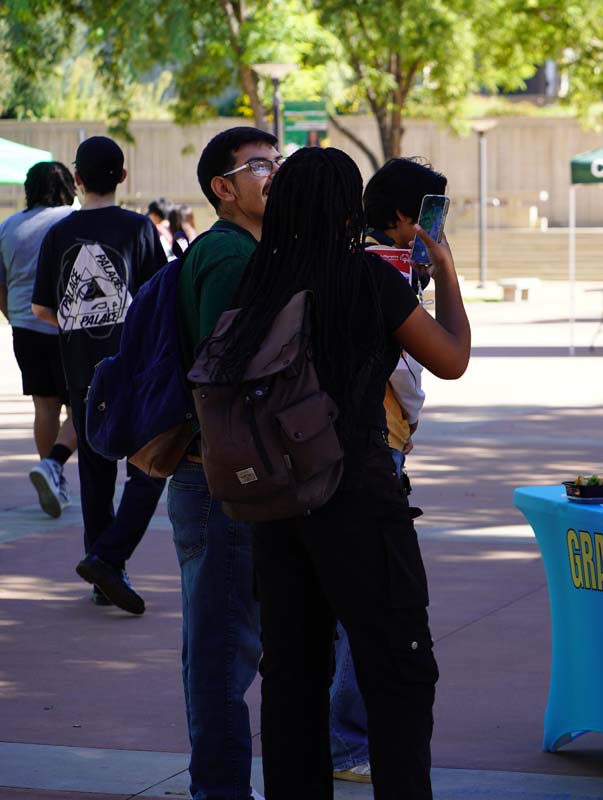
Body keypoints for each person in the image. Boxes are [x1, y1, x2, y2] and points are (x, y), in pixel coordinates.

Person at [202, 146, 470, 799]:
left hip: (278, 500)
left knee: (293, 673)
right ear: (350, 209)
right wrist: (448, 275)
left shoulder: (257, 282)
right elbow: (452, 359)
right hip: (358, 494)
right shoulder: (368, 280)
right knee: (399, 669)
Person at [326, 157, 444, 785]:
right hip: (377, 441)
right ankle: (346, 739)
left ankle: (337, 735)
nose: (435, 226)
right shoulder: (380, 271)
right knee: (372, 600)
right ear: (403, 216)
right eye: (430, 213)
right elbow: (438, 361)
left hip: (345, 443)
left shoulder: (346, 263)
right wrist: (443, 274)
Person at [171, 126, 280, 800]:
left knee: (218, 642)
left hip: (218, 473)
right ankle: (220, 791)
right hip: (224, 478)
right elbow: (224, 377)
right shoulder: (232, 257)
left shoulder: (236, 250)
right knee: (221, 651)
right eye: (263, 165)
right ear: (224, 187)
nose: (277, 174)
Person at [31, 136, 168, 614]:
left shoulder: (58, 235)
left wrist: (78, 322)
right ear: (124, 176)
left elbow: (41, 307)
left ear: (79, 179)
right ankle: (112, 557)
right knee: (146, 468)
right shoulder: (140, 229)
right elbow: (157, 297)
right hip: (134, 368)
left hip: (81, 371)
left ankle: (101, 565)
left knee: (93, 475)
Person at [0, 161, 78, 518]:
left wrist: (14, 317)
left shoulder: (8, 226)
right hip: (70, 326)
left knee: (44, 405)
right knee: (83, 403)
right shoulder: (73, 218)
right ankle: (55, 467)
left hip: (24, 326)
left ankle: (52, 474)